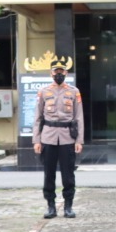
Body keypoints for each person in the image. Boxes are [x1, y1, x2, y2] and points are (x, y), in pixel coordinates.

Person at [32, 58, 84, 219]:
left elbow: (79, 117)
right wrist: (36, 140)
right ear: (51, 73)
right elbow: (37, 118)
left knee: (68, 175)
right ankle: (51, 207)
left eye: (61, 72)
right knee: (49, 175)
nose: (59, 74)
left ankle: (68, 206)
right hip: (48, 137)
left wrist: (79, 141)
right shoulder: (44, 92)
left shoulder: (74, 92)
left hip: (68, 138)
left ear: (66, 73)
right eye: (56, 72)